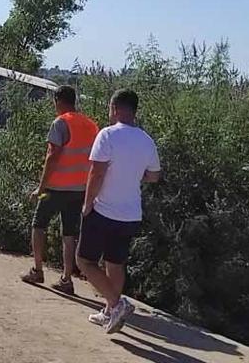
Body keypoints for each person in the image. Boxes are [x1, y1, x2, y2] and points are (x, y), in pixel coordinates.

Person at [77, 89, 161, 334]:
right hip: (131, 213)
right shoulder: (146, 140)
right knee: (115, 263)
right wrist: (136, 173)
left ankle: (117, 304)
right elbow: (154, 176)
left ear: (114, 108)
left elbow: (97, 172)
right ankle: (108, 312)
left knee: (85, 261)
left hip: (104, 210)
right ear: (134, 111)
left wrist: (87, 202)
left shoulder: (108, 135)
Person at [21, 86, 99, 295]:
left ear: (57, 100)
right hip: (80, 188)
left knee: (38, 225)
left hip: (55, 188)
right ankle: (66, 279)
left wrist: (41, 187)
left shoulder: (61, 123)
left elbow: (52, 156)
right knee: (69, 233)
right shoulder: (91, 125)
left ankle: (37, 269)